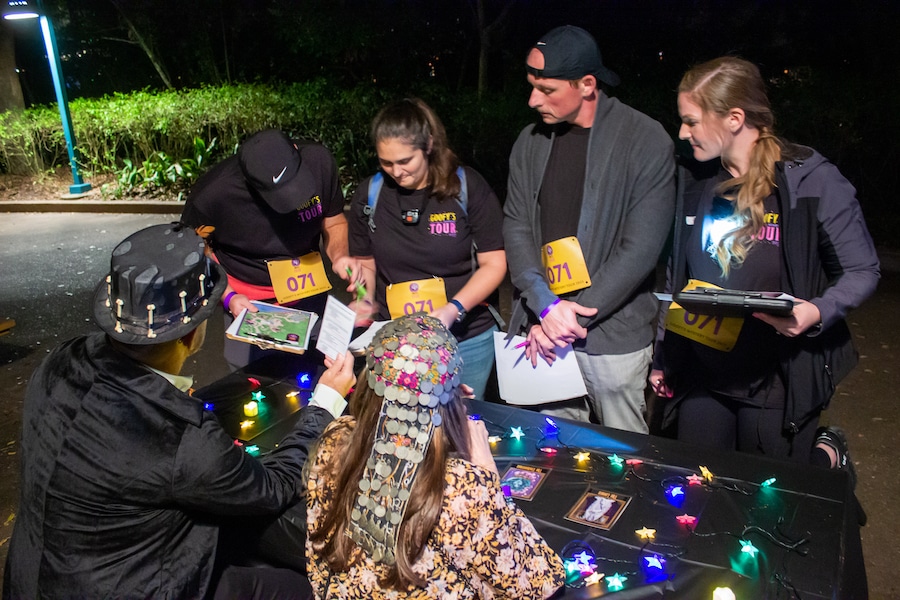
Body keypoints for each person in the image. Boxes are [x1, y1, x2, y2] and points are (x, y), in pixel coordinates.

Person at [2, 223, 356, 600]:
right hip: (130, 586)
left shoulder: (62, 359)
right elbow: (274, 488)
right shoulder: (179, 434)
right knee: (298, 587)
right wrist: (325, 402)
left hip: (31, 578)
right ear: (192, 333)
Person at [649, 57, 880, 469]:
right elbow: (679, 276)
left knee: (767, 501)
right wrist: (666, 356)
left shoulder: (810, 180)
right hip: (705, 376)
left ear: (734, 118)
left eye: (691, 121)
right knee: (699, 490)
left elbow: (863, 270)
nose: (683, 134)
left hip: (776, 383)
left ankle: (826, 456)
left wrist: (816, 311)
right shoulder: (695, 179)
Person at [305, 313, 565, 598]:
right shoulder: (461, 487)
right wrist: (487, 477)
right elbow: (541, 582)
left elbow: (319, 571)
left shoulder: (334, 442)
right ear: (450, 404)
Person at [502, 25, 675, 432]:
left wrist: (567, 321)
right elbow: (517, 226)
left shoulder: (645, 140)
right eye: (531, 87)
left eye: (546, 90)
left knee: (624, 462)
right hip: (542, 334)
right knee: (554, 461)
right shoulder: (530, 141)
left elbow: (640, 250)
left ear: (587, 85)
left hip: (611, 340)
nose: (532, 100)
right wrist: (545, 307)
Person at [345, 98, 507, 401]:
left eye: (406, 161)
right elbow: (365, 263)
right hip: (397, 342)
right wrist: (363, 300)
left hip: (465, 339)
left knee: (462, 431)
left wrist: (452, 309)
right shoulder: (370, 194)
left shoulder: (466, 187)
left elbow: (495, 263)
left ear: (429, 145)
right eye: (386, 162)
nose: (396, 171)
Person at [181, 129, 359, 369]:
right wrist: (229, 297)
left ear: (296, 151)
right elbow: (198, 254)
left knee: (321, 372)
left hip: (308, 290)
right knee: (255, 387)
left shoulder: (319, 163)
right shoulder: (213, 196)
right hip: (250, 305)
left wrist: (340, 255)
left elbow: (334, 221)